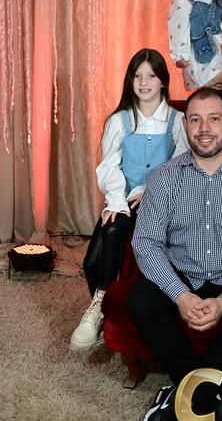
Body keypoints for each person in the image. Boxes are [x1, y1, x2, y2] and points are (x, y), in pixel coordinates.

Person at [128, 88, 222, 421]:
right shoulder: (165, 177)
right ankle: (208, 393)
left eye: (213, 119)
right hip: (180, 271)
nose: (204, 128)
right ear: (186, 125)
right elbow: (145, 242)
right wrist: (179, 295)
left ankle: (181, 397)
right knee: (141, 302)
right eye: (195, 120)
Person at [70, 48, 188, 351]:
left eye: (151, 76)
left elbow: (180, 164)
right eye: (137, 76)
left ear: (163, 80)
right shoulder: (119, 120)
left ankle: (102, 304)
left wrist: (151, 189)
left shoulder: (177, 121)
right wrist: (116, 201)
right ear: (130, 80)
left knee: (120, 234)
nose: (144, 82)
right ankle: (100, 307)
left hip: (160, 200)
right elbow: (109, 165)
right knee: (95, 255)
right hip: (124, 197)